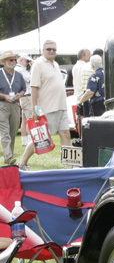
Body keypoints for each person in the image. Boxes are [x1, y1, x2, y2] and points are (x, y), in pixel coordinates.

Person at [19, 40, 72, 170]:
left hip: (61, 106)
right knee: (41, 137)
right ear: (43, 50)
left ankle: (71, 166)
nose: (51, 51)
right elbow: (34, 88)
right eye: (48, 49)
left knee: (66, 134)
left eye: (54, 49)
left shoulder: (56, 64)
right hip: (47, 107)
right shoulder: (38, 64)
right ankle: (22, 163)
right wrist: (34, 109)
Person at [0, 51, 27, 166]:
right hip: (2, 105)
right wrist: (4, 96)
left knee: (13, 131)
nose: (14, 62)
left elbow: (23, 89)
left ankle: (8, 156)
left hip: (15, 105)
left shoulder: (19, 75)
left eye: (15, 60)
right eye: (11, 60)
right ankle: (8, 155)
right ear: (5, 62)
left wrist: (19, 95)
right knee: (4, 131)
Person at [15, 56, 31, 146]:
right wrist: (33, 68)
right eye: (26, 61)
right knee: (29, 119)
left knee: (24, 119)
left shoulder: (20, 69)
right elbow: (29, 79)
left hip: (24, 97)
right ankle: (29, 140)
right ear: (21, 60)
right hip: (26, 96)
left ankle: (24, 140)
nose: (28, 63)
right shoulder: (20, 69)